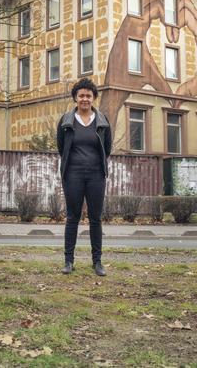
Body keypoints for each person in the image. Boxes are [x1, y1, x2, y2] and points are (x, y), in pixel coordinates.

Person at [56, 78, 113, 276]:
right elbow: (62, 148)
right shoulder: (66, 121)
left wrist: (96, 167)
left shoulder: (103, 122)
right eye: (81, 95)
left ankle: (97, 262)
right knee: (72, 217)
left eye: (88, 95)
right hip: (72, 175)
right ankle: (68, 261)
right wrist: (72, 169)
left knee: (95, 219)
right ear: (75, 98)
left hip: (96, 176)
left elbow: (107, 149)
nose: (85, 99)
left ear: (94, 98)